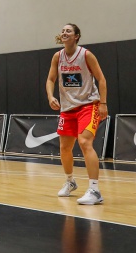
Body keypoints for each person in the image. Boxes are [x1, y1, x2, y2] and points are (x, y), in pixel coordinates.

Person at [45, 24, 108, 206]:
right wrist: (50, 96)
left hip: (88, 105)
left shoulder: (86, 55)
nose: (64, 33)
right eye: (63, 31)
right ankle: (70, 181)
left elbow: (101, 79)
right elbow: (50, 79)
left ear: (77, 36)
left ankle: (95, 190)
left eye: (68, 31)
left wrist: (103, 103)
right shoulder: (58, 56)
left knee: (85, 142)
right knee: (64, 148)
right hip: (67, 108)